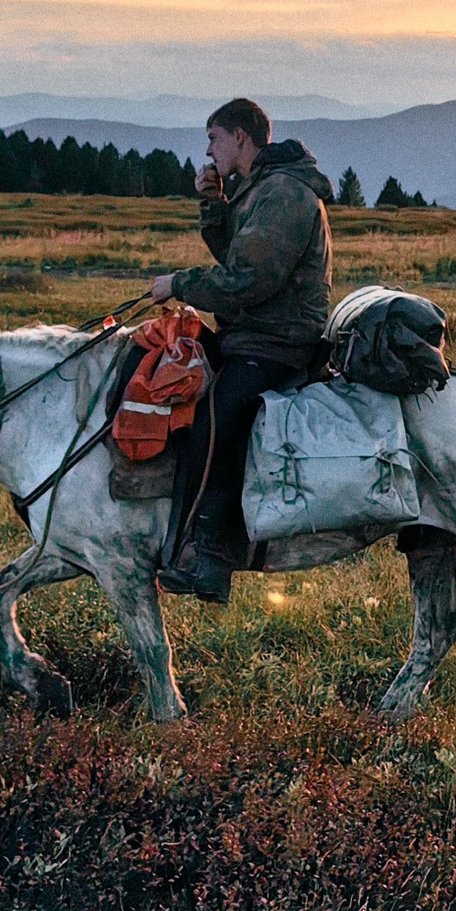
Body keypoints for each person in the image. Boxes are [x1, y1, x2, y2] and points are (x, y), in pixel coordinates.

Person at [148, 97, 334, 595]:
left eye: (214, 138)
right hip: (251, 332)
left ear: (240, 137)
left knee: (218, 412)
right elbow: (236, 253)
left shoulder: (285, 193)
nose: (209, 150)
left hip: (279, 339)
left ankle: (215, 555)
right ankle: (178, 534)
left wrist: (180, 284)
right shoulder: (259, 188)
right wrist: (214, 203)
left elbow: (248, 279)